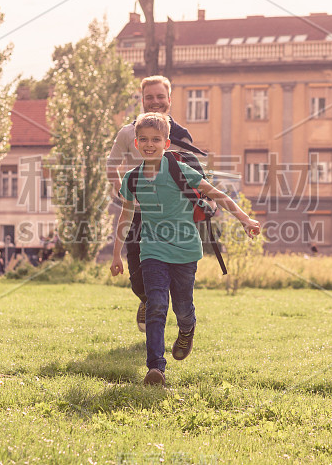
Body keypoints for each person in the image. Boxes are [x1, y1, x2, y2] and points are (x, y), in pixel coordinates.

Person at [110, 112, 260, 386]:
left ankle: (187, 329)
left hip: (185, 252)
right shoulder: (131, 178)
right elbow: (125, 216)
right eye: (143, 139)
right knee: (156, 305)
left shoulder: (179, 170)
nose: (149, 144)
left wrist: (245, 219)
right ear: (135, 144)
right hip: (152, 250)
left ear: (166, 144)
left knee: (181, 308)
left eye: (156, 139)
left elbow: (218, 195)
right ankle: (156, 368)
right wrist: (116, 255)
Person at [106, 75, 205, 334]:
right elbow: (111, 166)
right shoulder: (128, 133)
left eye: (160, 97)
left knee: (170, 278)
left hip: (174, 217)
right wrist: (126, 195)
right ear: (142, 99)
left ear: (169, 100)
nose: (155, 101)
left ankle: (162, 310)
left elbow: (192, 176)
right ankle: (145, 298)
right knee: (137, 275)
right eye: (149, 97)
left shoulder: (181, 135)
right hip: (139, 214)